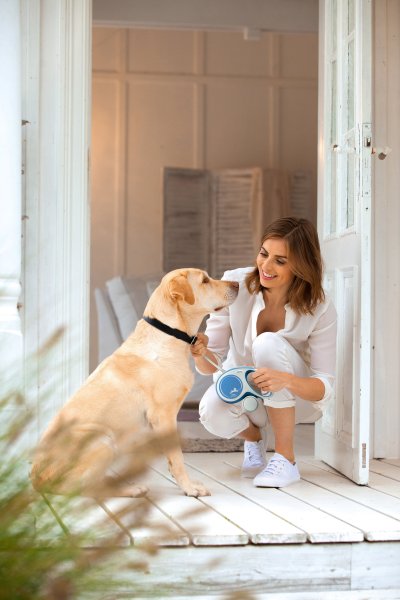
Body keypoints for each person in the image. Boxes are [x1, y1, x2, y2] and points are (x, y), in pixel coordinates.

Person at [190, 217, 337, 488]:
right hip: (244, 394)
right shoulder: (234, 285)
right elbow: (212, 364)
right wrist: (200, 353)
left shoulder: (320, 306)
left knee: (267, 343)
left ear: (302, 266)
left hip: (296, 400)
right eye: (263, 253)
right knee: (210, 412)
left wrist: (286, 380)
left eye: (280, 261)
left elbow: (324, 387)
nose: (266, 267)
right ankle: (254, 438)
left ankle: (286, 459)